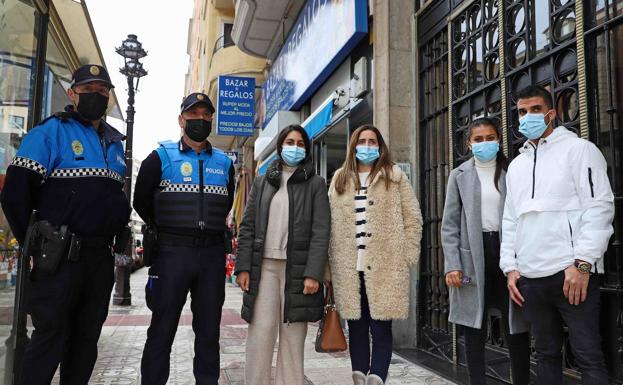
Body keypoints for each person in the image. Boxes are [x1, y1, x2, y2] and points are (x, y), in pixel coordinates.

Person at [0, 64, 131, 384]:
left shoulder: (114, 144)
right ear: (73, 94)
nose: (96, 97)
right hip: (59, 260)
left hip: (98, 261)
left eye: (102, 92)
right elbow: (15, 195)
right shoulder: (50, 132)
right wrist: (35, 245)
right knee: (49, 341)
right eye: (88, 91)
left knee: (85, 344)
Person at [500, 85, 614, 385]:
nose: (528, 117)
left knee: (588, 355)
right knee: (546, 355)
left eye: (535, 110)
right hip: (531, 278)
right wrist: (510, 268)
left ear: (552, 113)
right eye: (522, 112)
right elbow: (511, 220)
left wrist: (583, 264)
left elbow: (599, 208)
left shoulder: (580, 150)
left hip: (572, 274)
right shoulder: (516, 166)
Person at [133, 92, 235, 385]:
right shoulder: (160, 157)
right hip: (172, 253)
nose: (200, 121)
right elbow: (142, 201)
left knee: (208, 332)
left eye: (206, 116)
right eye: (193, 115)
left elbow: (225, 203)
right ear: (181, 119)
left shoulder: (224, 163)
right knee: (162, 328)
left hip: (211, 255)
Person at [327, 124, 423, 385]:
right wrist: (328, 268)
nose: (367, 146)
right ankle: (359, 377)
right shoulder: (340, 179)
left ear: (380, 147)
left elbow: (413, 218)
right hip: (349, 268)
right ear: (353, 145)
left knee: (381, 328)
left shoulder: (394, 177)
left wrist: (407, 256)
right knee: (356, 328)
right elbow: (329, 225)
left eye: (372, 141)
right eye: (362, 141)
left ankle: (377, 377)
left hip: (386, 267)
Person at [235, 124, 330, 385]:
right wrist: (243, 267)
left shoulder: (316, 184)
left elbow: (321, 232)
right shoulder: (262, 182)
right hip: (263, 268)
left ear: (307, 149)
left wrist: (314, 273)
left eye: (300, 144)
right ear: (280, 146)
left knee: (292, 339)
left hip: (299, 272)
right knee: (260, 334)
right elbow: (247, 226)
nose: (295, 148)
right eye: (290, 142)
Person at [441, 118, 531, 385]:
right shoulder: (459, 175)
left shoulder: (512, 170)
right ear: (469, 143)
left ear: (499, 139)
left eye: (490, 138)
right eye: (478, 139)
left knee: (516, 327)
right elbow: (449, 225)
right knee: (473, 327)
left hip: (508, 253)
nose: (484, 143)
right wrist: (452, 264)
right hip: (472, 259)